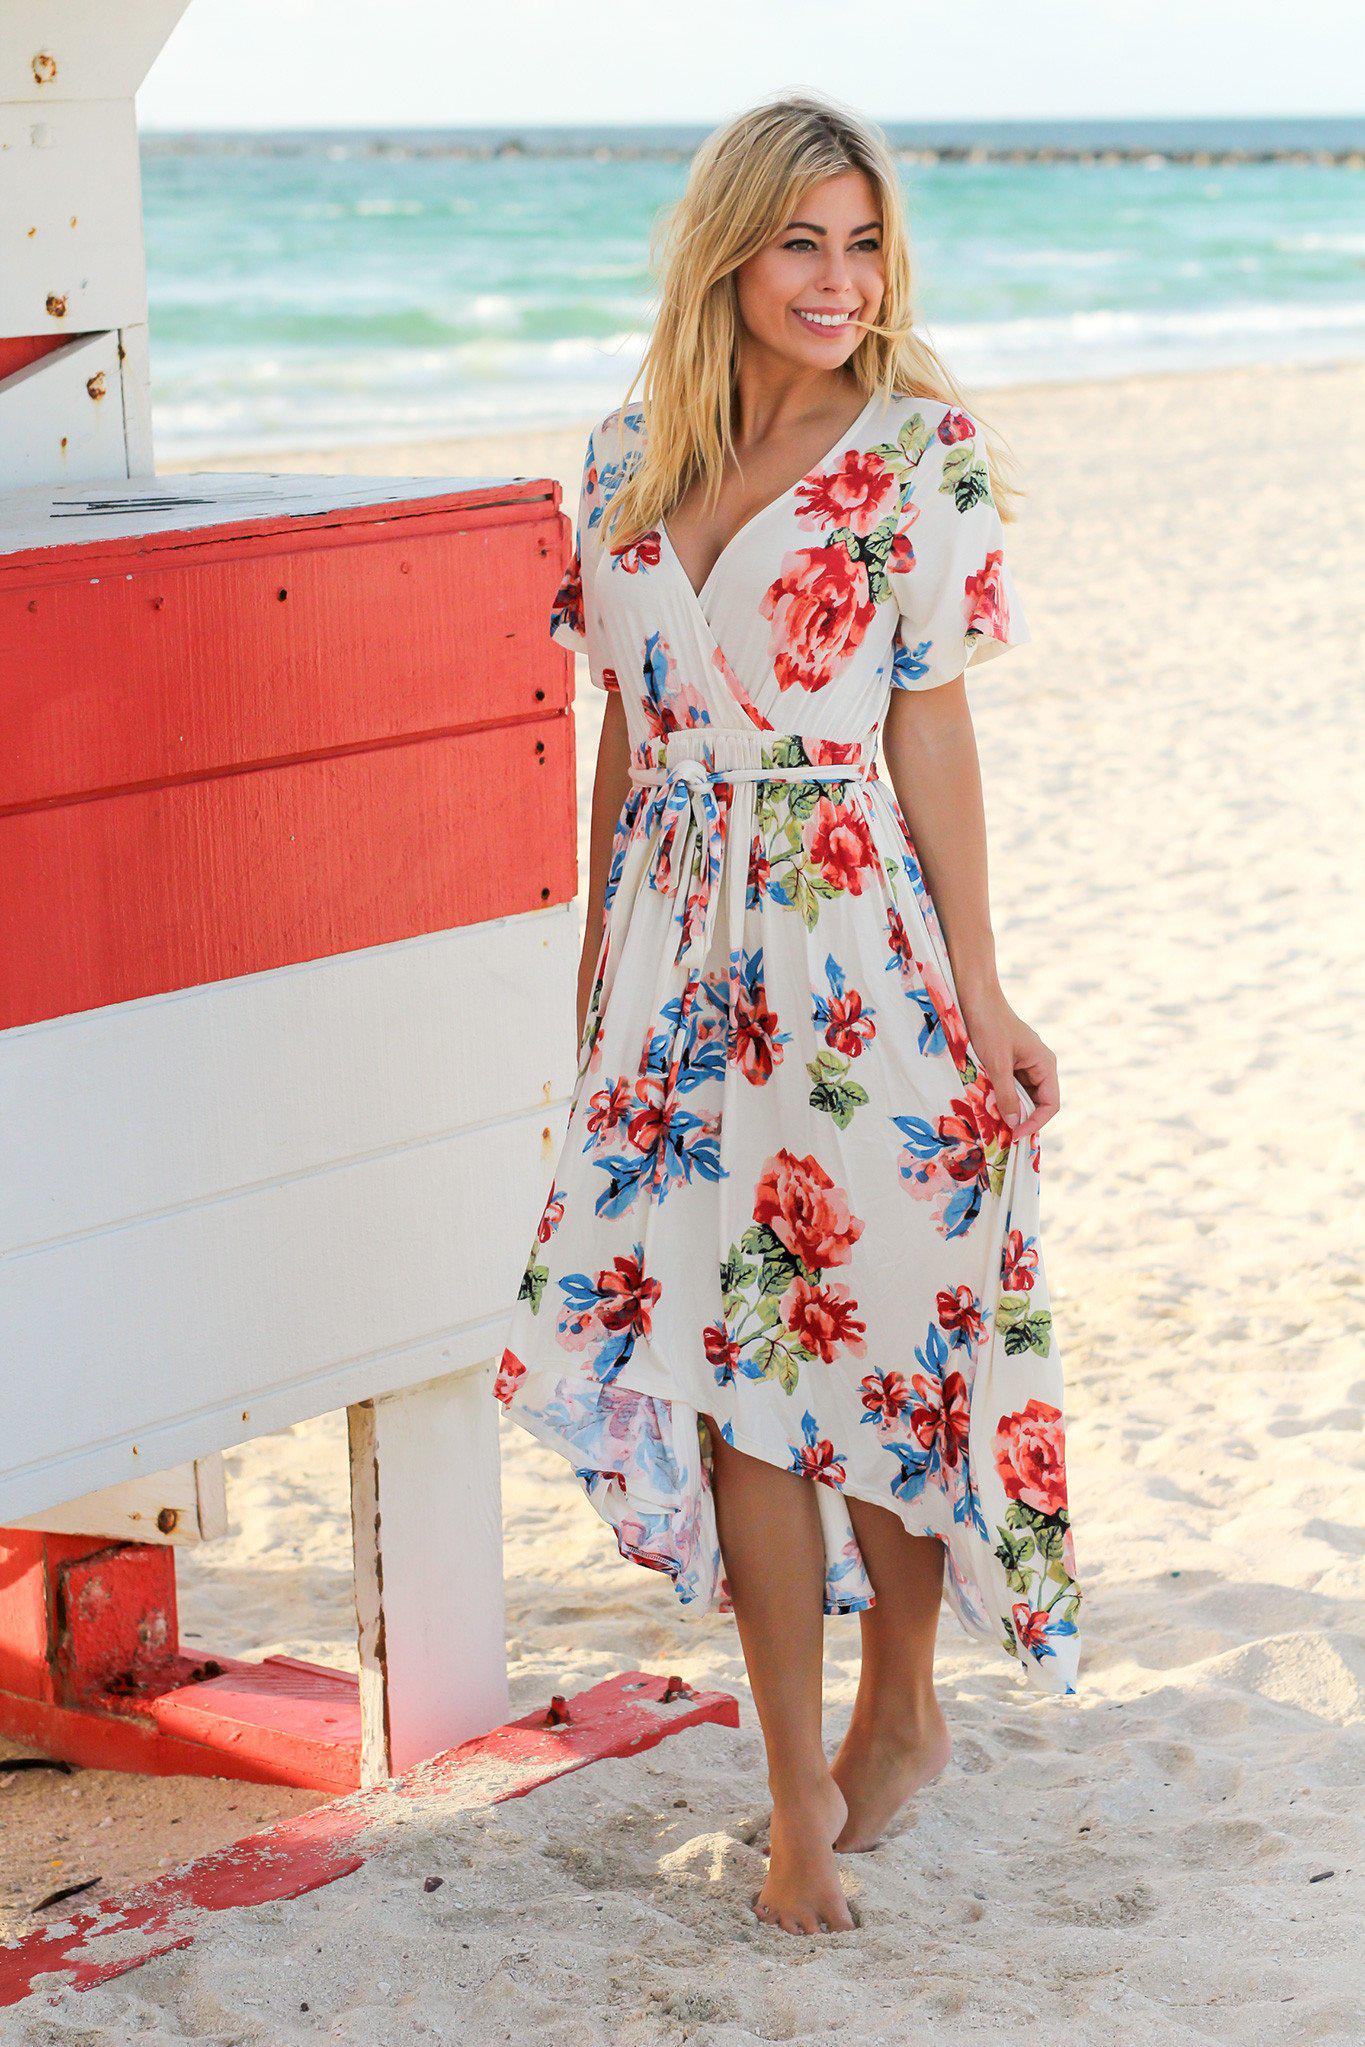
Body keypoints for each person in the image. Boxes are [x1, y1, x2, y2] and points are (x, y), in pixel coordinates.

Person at [494, 90, 1081, 1937]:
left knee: (875, 1339)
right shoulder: (616, 460)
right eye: (799, 243)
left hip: (851, 939)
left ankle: (900, 1709)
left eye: (862, 243)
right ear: (728, 252)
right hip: (676, 957)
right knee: (735, 1377)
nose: (839, 279)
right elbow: (619, 733)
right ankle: (791, 1802)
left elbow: (929, 720)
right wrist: (598, 983)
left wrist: (980, 992)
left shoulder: (921, 451)